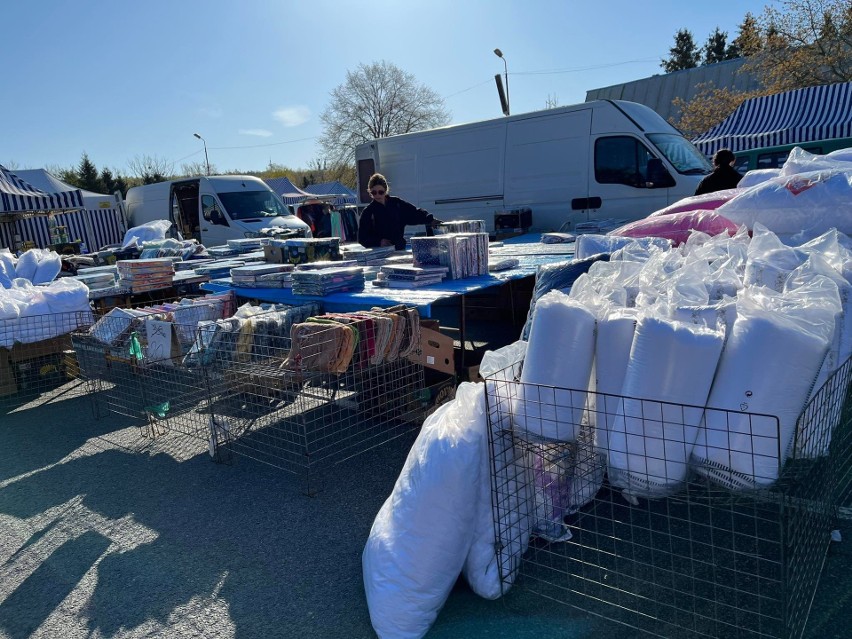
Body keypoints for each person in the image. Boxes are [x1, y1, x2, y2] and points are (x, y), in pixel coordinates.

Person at [357, 173, 441, 250]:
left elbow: (413, 213)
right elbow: (362, 238)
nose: (377, 195)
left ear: (386, 190)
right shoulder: (368, 212)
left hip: (399, 248)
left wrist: (430, 219)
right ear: (370, 192)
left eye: (381, 192)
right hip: (380, 253)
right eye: (374, 192)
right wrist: (379, 241)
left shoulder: (396, 203)